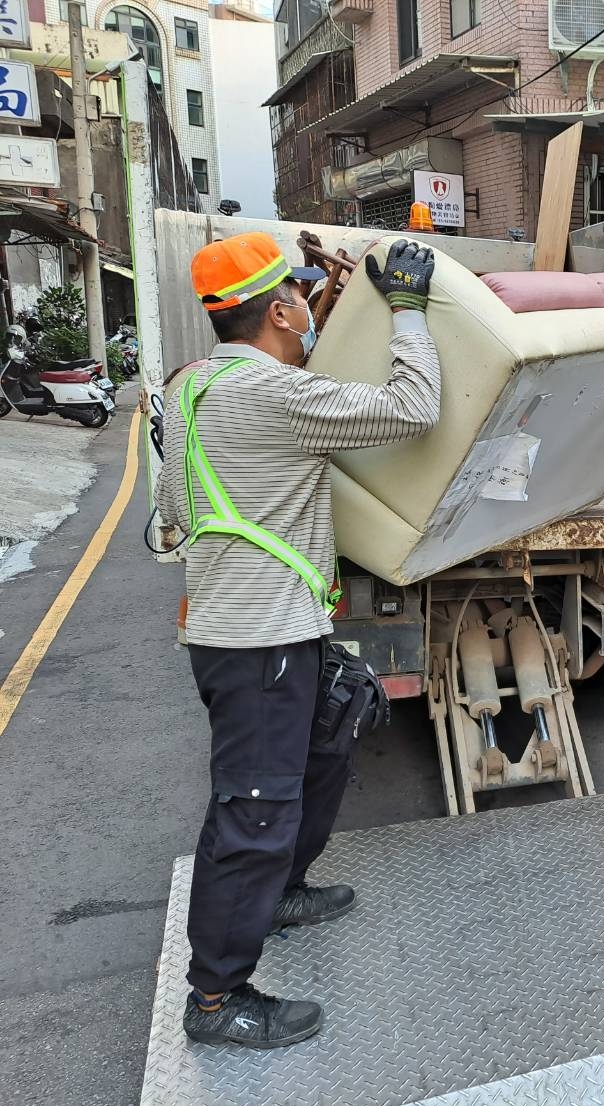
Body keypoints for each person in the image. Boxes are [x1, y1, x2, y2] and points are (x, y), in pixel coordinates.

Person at [155, 233, 440, 1048]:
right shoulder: (272, 394)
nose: (312, 310)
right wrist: (409, 314)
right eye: (304, 298)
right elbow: (414, 407)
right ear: (278, 310)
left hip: (262, 626)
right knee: (254, 811)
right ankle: (216, 1000)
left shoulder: (191, 391)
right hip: (259, 640)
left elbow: (176, 504)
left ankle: (280, 890)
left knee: (327, 748)